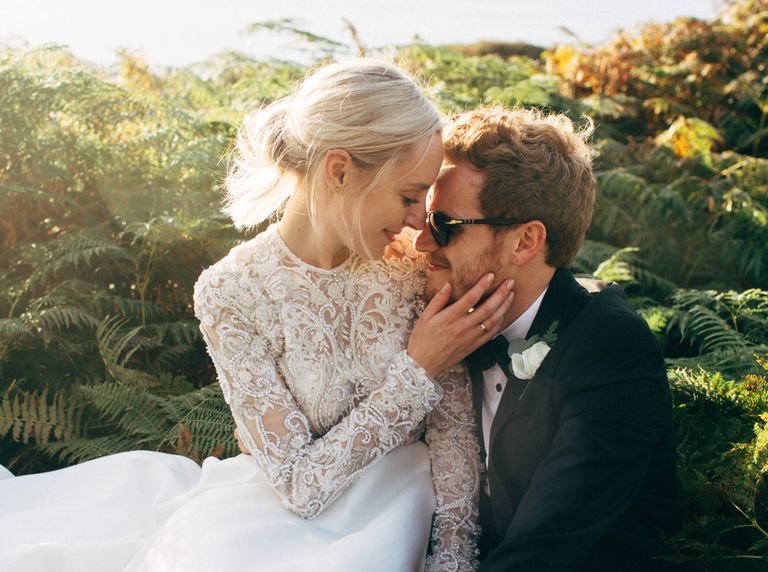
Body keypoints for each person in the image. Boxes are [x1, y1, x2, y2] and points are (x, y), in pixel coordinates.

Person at [0, 60, 514, 572]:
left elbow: (453, 438)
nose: (417, 222)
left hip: (401, 512)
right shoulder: (231, 292)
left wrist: (452, 562)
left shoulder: (412, 264)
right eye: (407, 197)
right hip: (276, 517)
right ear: (338, 170)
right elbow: (296, 485)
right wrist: (415, 371)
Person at [412, 106, 678, 571]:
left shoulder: (609, 345)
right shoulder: (442, 320)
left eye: (444, 226)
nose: (422, 243)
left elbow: (548, 546)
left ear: (525, 242)